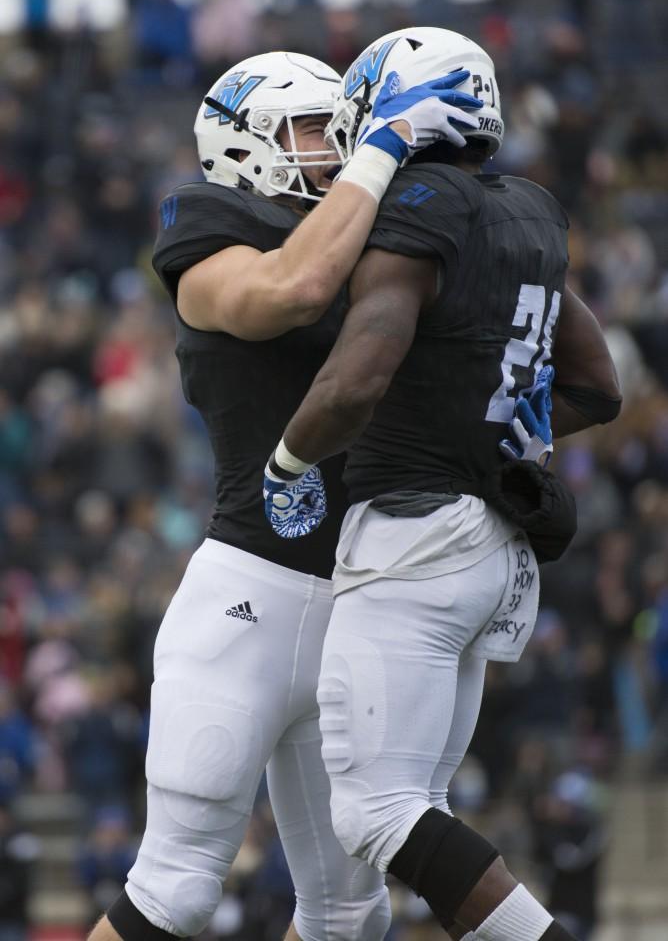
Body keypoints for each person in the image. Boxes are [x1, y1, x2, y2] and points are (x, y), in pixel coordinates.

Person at [88, 48, 484, 941]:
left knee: (349, 912)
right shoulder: (211, 225)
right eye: (316, 129)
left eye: (344, 128)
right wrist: (385, 152)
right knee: (178, 888)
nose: (340, 148)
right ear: (242, 143)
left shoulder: (378, 235)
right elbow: (294, 289)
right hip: (250, 596)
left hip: (364, 598)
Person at [262, 28, 622, 941]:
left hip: (416, 538)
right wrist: (495, 432)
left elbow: (355, 380)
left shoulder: (418, 207)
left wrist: (288, 463)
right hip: (491, 545)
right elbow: (597, 387)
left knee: (376, 814)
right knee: (409, 806)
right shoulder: (529, 209)